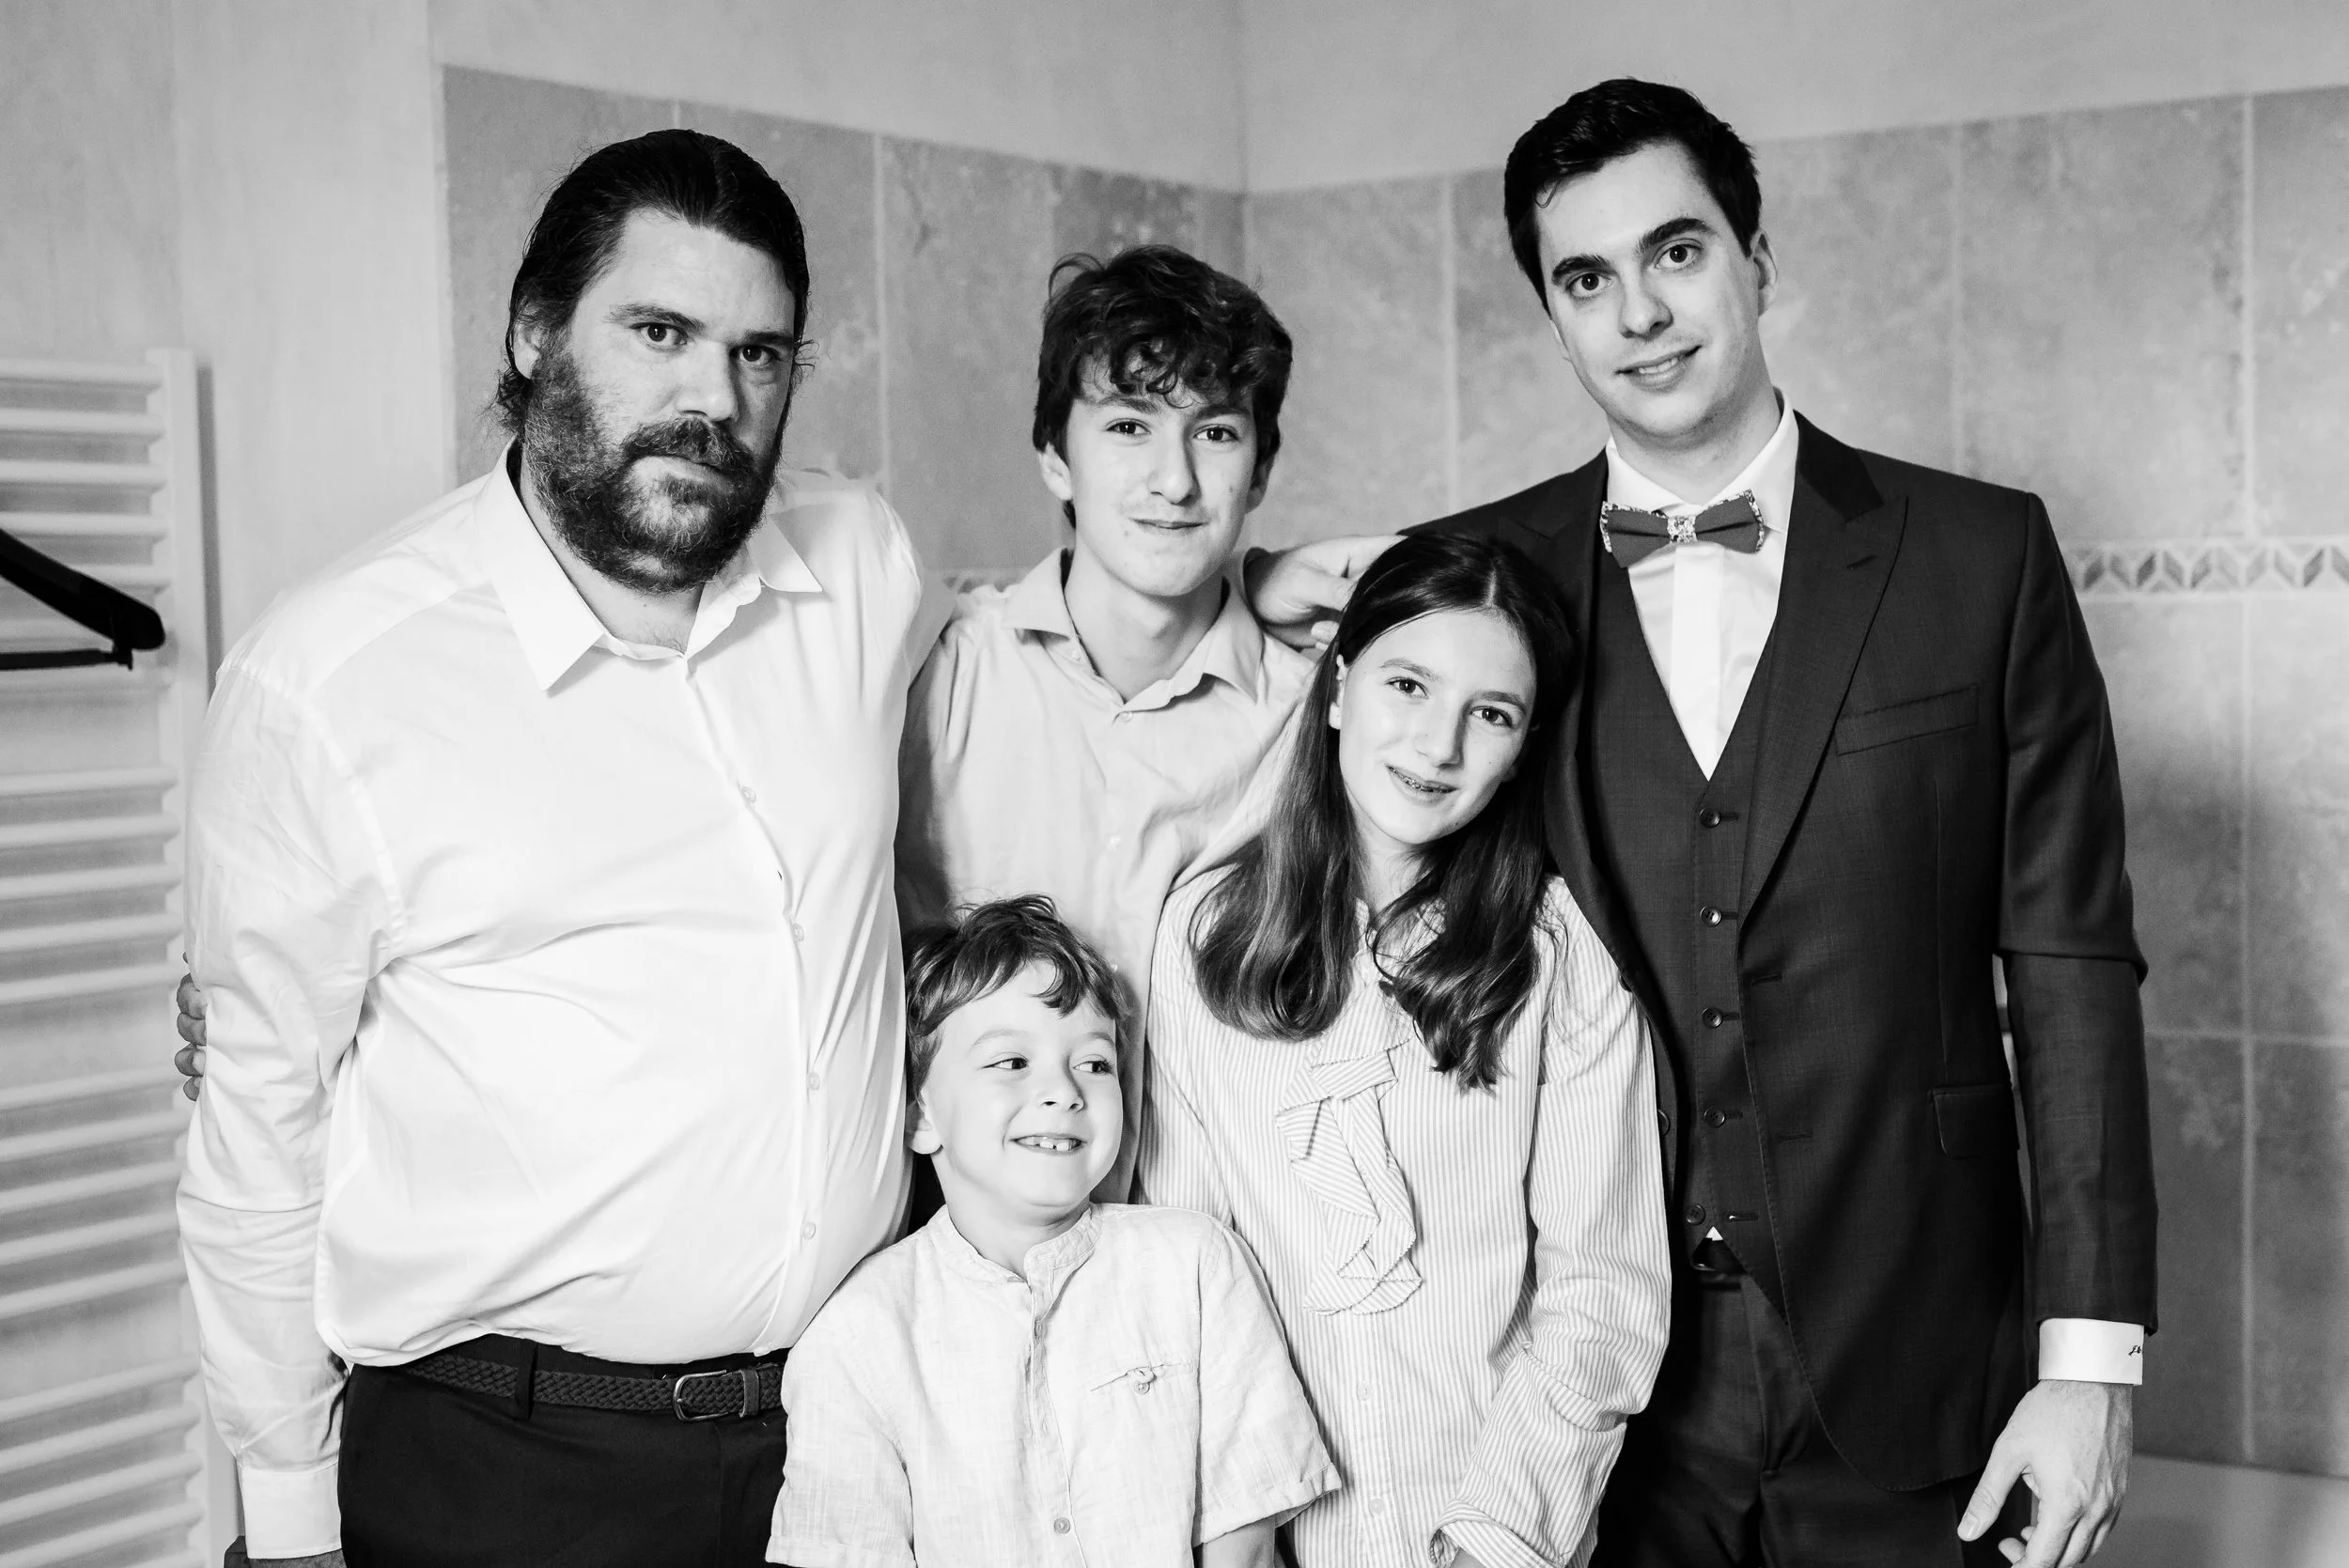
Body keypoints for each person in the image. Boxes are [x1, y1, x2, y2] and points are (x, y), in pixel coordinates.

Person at [171, 132, 1364, 1568]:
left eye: (759, 354)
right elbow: (255, 1133)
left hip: (836, 1433)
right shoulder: (331, 678)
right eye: (658, 333)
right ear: (535, 331)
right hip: (505, 1457)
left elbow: (1065, 629)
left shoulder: (856, 562)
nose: (713, 398)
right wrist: (288, 1520)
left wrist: (1247, 581)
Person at [1417, 80, 2155, 1568]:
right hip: (1585, 1390)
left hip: (1920, 1366)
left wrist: (2090, 1366)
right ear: (1552, 316)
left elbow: (2071, 968)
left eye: (1677, 252)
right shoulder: (1472, 579)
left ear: (1757, 257)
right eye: (1585, 279)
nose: (1639, 312)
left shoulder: (1981, 555)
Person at [1142, 532, 1672, 1568]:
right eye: (1409, 685)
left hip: (1498, 1529)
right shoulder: (1206, 934)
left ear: (1522, 747)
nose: (1438, 747)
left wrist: (1491, 1542)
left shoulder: (1558, 952)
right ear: (1340, 686)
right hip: (1272, 1537)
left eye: (1491, 713)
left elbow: (1602, 1290)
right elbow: (1187, 1274)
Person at [896, 244, 1330, 1201]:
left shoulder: (1313, 720)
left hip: (1226, 1256)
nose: (1174, 480)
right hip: (954, 1251)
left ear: (1260, 469)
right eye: (1129, 425)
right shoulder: (936, 674)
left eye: (1215, 432)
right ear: (1055, 457)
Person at [770, 896, 1336, 1568]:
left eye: (1095, 1064)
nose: (1065, 1090)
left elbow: (1244, 1544)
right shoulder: (857, 1337)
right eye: (1011, 1061)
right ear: (921, 1115)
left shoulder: (1195, 1266)